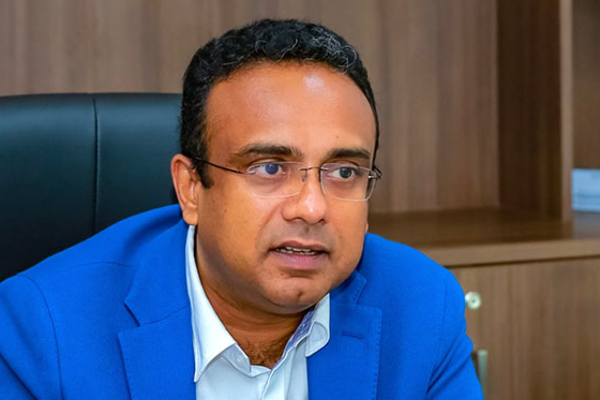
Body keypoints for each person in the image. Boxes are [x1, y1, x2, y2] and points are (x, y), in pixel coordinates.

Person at [0, 19, 483, 399]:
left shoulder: (421, 305)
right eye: (270, 168)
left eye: (343, 171)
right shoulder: (43, 328)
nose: (312, 207)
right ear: (191, 188)